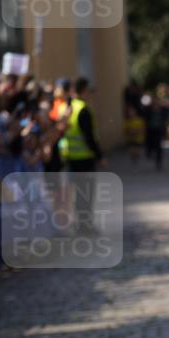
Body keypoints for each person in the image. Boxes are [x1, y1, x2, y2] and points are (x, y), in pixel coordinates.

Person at [59, 77, 105, 231]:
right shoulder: (83, 109)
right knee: (86, 194)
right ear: (84, 90)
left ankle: (78, 223)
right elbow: (89, 137)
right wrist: (100, 156)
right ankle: (85, 224)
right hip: (84, 159)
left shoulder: (65, 107)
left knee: (76, 194)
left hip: (69, 158)